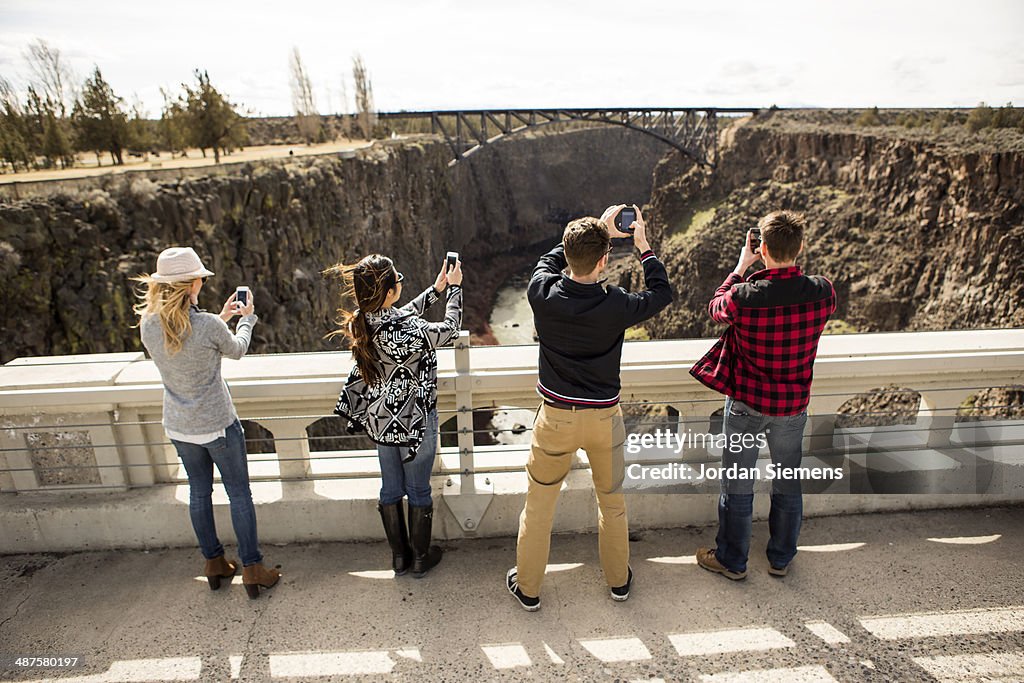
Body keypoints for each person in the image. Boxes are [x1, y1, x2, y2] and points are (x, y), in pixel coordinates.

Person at [507, 205, 673, 611]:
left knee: (540, 506)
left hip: (556, 419)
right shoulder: (616, 304)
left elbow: (546, 263)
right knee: (612, 503)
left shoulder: (541, 294)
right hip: (604, 421)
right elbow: (662, 293)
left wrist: (593, 232)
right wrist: (642, 245)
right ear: (604, 261)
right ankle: (618, 582)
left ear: (569, 254)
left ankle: (528, 588)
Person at [690, 210, 837, 580]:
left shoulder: (745, 295)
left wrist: (742, 265)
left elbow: (716, 308)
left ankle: (733, 561)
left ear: (763, 248)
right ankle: (781, 558)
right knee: (788, 479)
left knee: (738, 483)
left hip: (747, 403)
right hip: (792, 406)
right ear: (801, 247)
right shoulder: (823, 292)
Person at [135, 247, 280, 599]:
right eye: (200, 277)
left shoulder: (149, 324)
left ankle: (214, 563)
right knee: (238, 494)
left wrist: (222, 316)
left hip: (180, 426)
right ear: (192, 284)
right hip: (217, 425)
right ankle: (252, 568)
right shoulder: (207, 326)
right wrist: (246, 319)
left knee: (199, 493)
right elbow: (235, 350)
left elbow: (187, 341)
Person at [332, 254, 463, 578]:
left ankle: (399, 558)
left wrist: (435, 290)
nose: (402, 281)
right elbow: (449, 330)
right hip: (415, 422)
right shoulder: (408, 330)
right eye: (398, 278)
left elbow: (398, 317)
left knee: (390, 489)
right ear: (389, 292)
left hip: (381, 421)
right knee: (418, 490)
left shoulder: (363, 321)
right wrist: (455, 290)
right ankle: (420, 558)